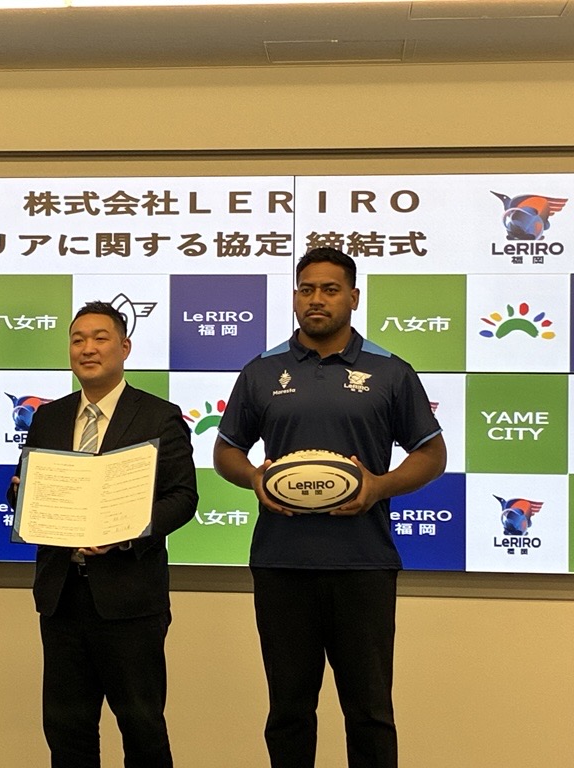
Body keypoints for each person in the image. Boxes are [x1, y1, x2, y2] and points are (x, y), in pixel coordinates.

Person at [213, 247, 447, 768]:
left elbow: (432, 453)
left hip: (363, 564)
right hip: (281, 563)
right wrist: (254, 477)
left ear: (353, 297)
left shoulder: (390, 371)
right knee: (289, 712)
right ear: (296, 297)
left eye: (330, 289)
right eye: (307, 289)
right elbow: (226, 450)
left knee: (369, 713)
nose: (316, 299)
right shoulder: (261, 370)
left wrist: (379, 487)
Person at [10, 301, 198, 768]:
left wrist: (126, 532)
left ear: (124, 347)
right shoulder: (48, 418)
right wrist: (22, 494)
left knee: (142, 728)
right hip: (62, 598)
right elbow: (32, 493)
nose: (87, 349)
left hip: (130, 600)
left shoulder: (159, 416)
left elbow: (182, 498)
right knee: (66, 732)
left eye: (100, 338)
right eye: (78, 340)